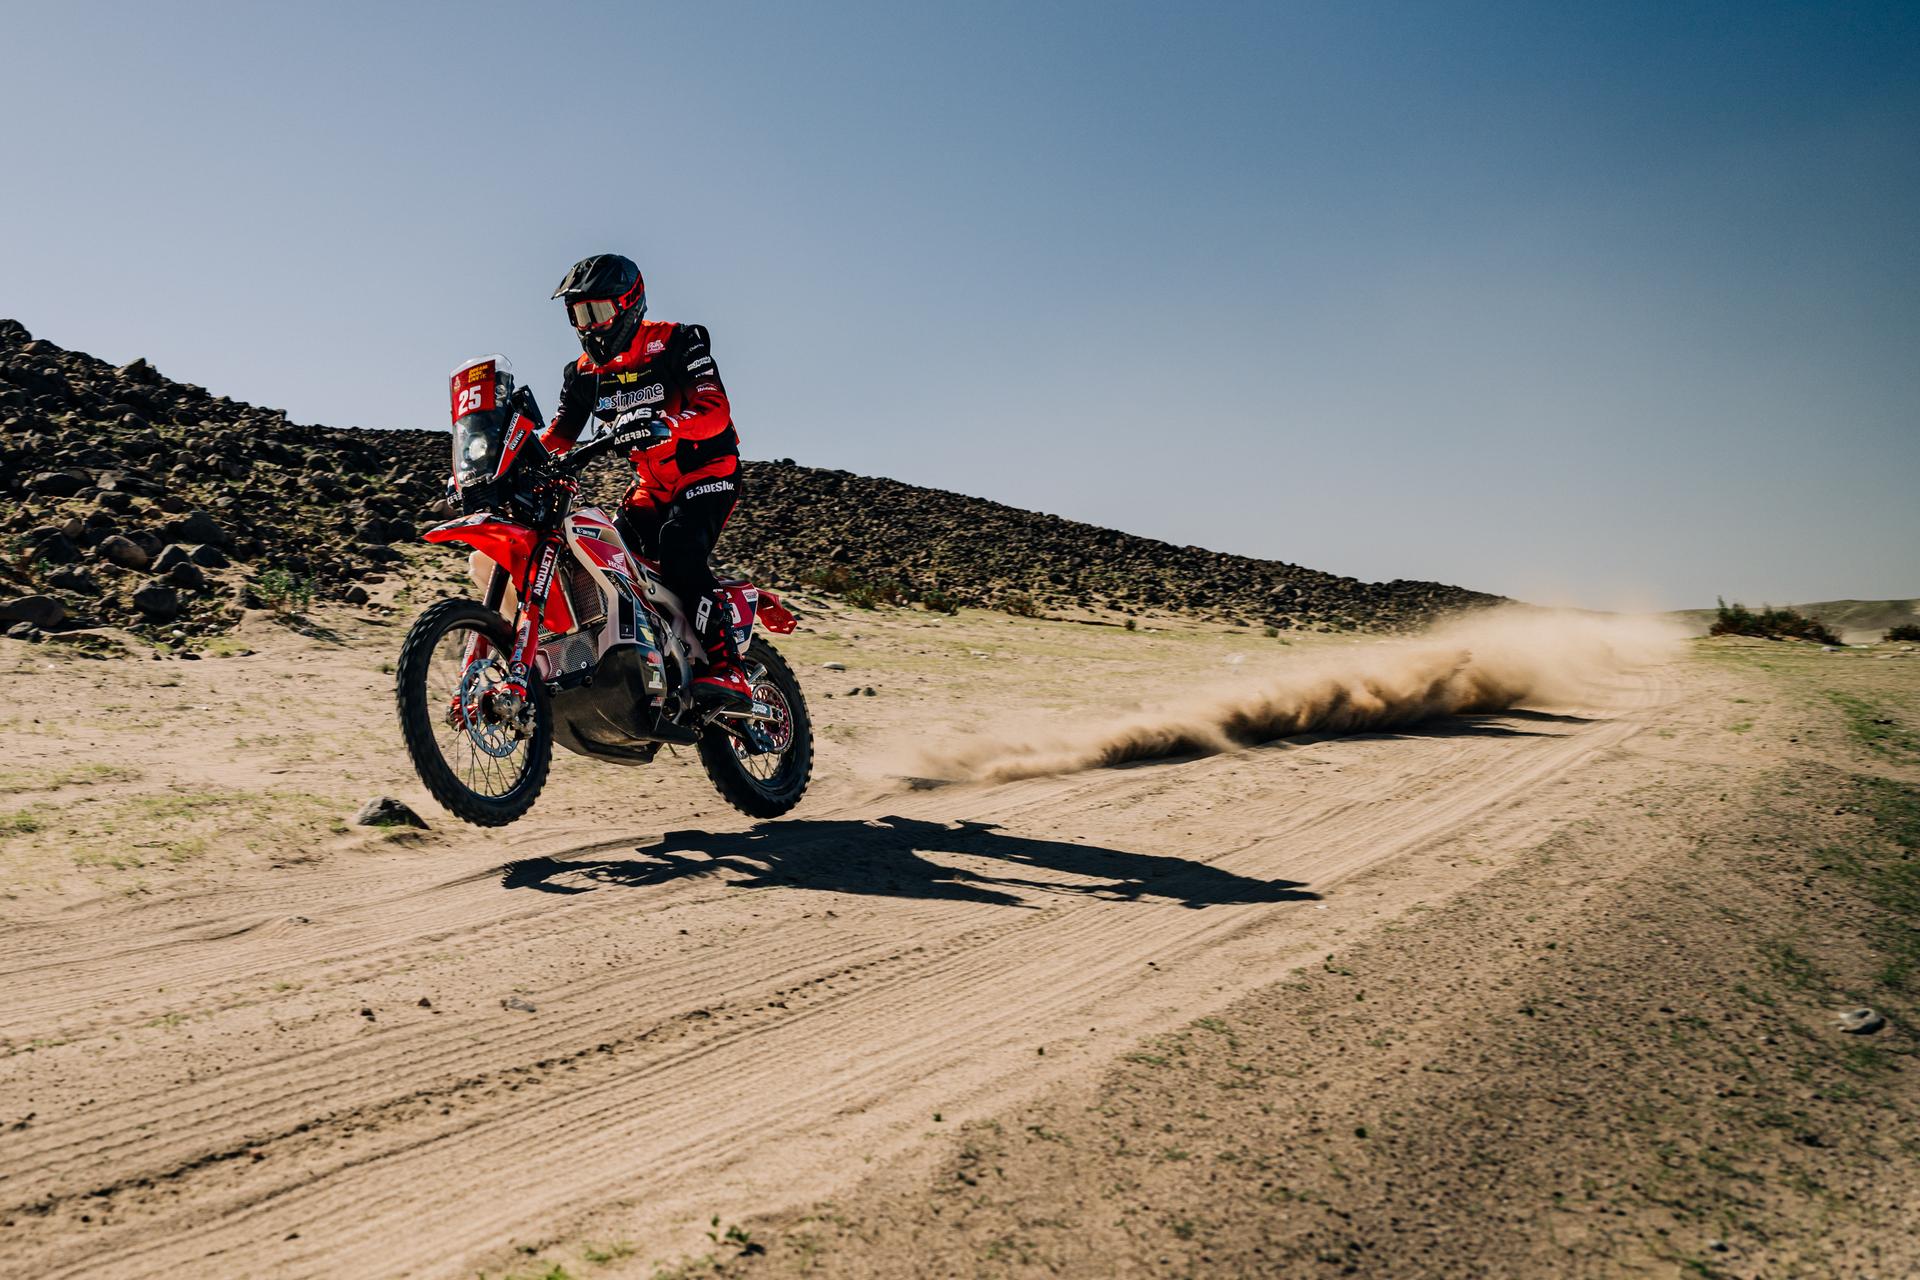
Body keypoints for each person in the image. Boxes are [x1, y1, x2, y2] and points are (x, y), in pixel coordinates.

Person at [542, 253, 751, 707]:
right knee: (611, 562)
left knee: (679, 546)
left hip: (708, 471)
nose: (587, 326)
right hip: (651, 488)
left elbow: (716, 410)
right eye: (578, 314)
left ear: (629, 303)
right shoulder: (581, 374)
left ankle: (727, 669)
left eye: (596, 312)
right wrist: (510, 453)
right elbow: (558, 436)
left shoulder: (678, 341)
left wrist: (669, 423)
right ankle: (652, 658)